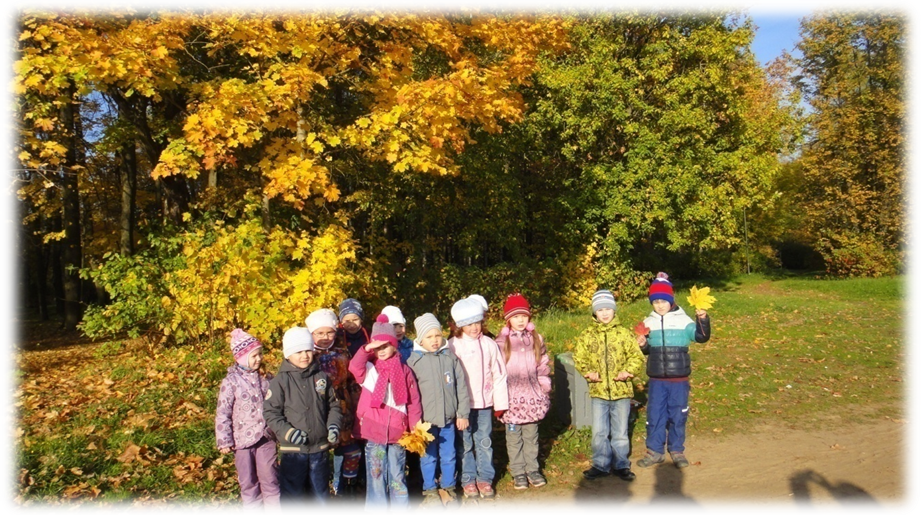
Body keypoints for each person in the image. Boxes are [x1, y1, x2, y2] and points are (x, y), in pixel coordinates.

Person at [349, 314, 423, 515]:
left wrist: (415, 426)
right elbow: (353, 367)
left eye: (385, 346)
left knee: (397, 472)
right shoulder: (369, 369)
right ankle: (378, 507)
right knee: (376, 471)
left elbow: (413, 400)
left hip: (398, 432)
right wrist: (366, 349)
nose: (381, 351)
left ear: (394, 346)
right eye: (377, 347)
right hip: (374, 431)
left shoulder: (405, 370)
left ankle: (400, 507)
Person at [264, 327, 343, 514]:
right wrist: (288, 432)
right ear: (288, 354)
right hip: (293, 451)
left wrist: (333, 426)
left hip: (319, 448)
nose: (304, 356)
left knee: (319, 493)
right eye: (298, 352)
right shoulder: (280, 382)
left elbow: (333, 406)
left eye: (307, 350)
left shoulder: (321, 377)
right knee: (293, 494)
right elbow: (271, 412)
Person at [636, 272, 710, 469]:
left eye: (663, 301)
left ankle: (677, 449)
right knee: (655, 414)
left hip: (679, 379)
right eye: (655, 301)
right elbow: (647, 350)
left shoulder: (683, 320)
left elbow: (701, 337)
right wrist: (642, 344)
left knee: (678, 414)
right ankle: (655, 451)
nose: (660, 305)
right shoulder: (648, 322)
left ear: (671, 300)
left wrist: (702, 318)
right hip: (657, 379)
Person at [573, 289, 645, 482]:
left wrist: (628, 371)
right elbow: (579, 357)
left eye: (608, 309)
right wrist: (588, 372)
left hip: (621, 392)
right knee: (599, 431)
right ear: (594, 312)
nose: (605, 313)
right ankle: (600, 464)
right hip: (598, 392)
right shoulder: (587, 335)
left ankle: (621, 464)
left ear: (614, 310)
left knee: (620, 432)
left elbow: (636, 357)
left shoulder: (624, 334)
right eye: (600, 309)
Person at [406, 313, 470, 513]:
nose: (434, 340)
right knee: (429, 457)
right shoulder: (414, 361)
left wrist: (462, 413)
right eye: (429, 337)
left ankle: (449, 488)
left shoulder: (449, 357)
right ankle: (430, 490)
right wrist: (414, 421)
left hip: (449, 420)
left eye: (437, 335)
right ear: (420, 339)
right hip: (426, 423)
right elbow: (410, 394)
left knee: (449, 455)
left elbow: (461, 387)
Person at [215, 329, 282, 515]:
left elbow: (278, 403)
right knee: (248, 481)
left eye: (260, 354)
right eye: (254, 355)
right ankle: (252, 511)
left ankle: (275, 510)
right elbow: (223, 412)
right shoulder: (231, 382)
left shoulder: (267, 378)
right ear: (241, 357)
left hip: (266, 437)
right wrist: (224, 440)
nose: (259, 359)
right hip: (241, 441)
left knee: (270, 477)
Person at [447, 297, 508, 500]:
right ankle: (467, 478)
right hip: (462, 407)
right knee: (464, 443)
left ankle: (485, 478)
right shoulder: (453, 346)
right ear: (460, 325)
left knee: (484, 441)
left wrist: (500, 404)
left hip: (484, 404)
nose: (474, 327)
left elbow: (499, 374)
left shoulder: (489, 344)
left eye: (477, 322)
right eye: (468, 324)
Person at [305, 308, 362, 510]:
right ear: (311, 333)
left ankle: (346, 491)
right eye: (319, 333)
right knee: (320, 455)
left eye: (329, 332)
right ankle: (319, 496)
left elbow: (352, 381)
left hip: (344, 407)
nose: (325, 337)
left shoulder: (342, 352)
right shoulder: (306, 356)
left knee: (351, 451)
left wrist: (358, 407)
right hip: (318, 411)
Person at [495, 293, 551, 490]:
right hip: (511, 401)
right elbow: (496, 370)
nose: (520, 320)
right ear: (508, 319)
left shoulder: (536, 339)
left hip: (532, 398)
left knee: (531, 436)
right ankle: (518, 471)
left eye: (524, 316)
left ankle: (533, 469)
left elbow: (543, 364)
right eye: (516, 316)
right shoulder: (501, 342)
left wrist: (543, 386)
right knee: (513, 438)